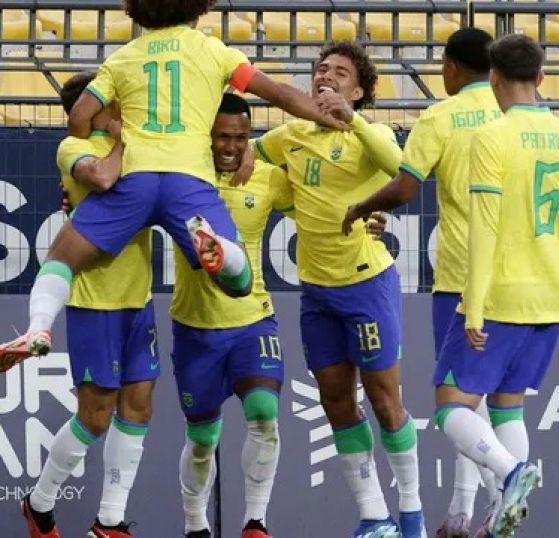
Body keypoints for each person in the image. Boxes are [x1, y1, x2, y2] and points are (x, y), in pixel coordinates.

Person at [0, 0, 348, 371]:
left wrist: (82, 157)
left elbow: (79, 114)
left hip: (134, 179)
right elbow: (279, 94)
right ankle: (218, 250)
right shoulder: (213, 51)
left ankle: (38, 328)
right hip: (189, 182)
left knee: (60, 258)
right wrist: (335, 119)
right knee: (238, 281)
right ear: (198, 7)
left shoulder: (123, 57)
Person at [174, 93, 387, 538]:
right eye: (221, 138)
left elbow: (316, 213)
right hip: (194, 325)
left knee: (264, 413)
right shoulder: (180, 179)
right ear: (205, 138)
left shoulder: (269, 178)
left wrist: (368, 216)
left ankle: (256, 522)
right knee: (202, 441)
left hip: (254, 319)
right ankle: (195, 525)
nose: (231, 147)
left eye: (240, 137)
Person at [431, 34, 559, 537]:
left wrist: (476, 307)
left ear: (494, 80)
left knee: (450, 407)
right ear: (543, 78)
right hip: (549, 300)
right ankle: (502, 519)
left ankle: (511, 475)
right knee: (509, 405)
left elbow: (483, 229)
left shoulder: (491, 136)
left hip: (501, 295)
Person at [254, 41, 426, 538]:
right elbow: (245, 159)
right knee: (335, 400)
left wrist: (351, 120)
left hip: (366, 284)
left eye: (340, 72)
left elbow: (401, 168)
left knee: (385, 400)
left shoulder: (369, 133)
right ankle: (375, 517)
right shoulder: (290, 135)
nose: (326, 77)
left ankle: (411, 515)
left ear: (359, 90)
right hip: (317, 292)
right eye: (321, 69)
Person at [342, 28, 501, 537]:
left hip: (460, 274)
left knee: (456, 404)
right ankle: (463, 514)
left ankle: (500, 491)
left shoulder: (440, 116)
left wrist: (366, 205)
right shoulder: (516, 111)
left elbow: (406, 186)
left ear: (452, 68)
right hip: (518, 274)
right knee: (495, 404)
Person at [21, 73, 157, 538]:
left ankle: (110, 521)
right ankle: (39, 504)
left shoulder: (130, 140)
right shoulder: (72, 148)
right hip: (94, 301)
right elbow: (102, 178)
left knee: (138, 408)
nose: (117, 103)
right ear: (85, 109)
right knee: (95, 418)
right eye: (106, 99)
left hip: (139, 298)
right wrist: (124, 145)